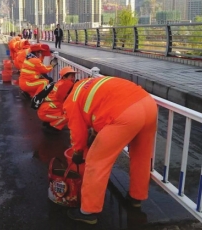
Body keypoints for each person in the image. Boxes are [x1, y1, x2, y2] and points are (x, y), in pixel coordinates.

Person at [63, 76, 158, 225]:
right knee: (141, 156)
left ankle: (88, 212)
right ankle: (136, 197)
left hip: (126, 115)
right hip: (148, 104)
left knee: (96, 162)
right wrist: (95, 133)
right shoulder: (89, 83)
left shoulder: (72, 100)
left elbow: (77, 132)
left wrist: (78, 151)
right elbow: (100, 110)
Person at [37, 67, 76, 133]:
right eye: (71, 76)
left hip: (46, 109)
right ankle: (52, 126)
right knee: (68, 117)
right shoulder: (65, 86)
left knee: (64, 111)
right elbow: (64, 101)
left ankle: (48, 122)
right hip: (45, 112)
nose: (73, 78)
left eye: (74, 76)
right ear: (64, 77)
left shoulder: (59, 83)